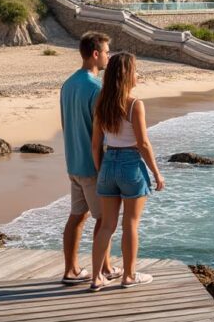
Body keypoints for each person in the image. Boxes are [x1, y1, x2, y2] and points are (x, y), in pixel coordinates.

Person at [89, 52, 166, 291]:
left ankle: (96, 278)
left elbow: (95, 144)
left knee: (106, 226)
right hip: (131, 164)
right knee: (130, 224)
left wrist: (101, 170)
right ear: (127, 75)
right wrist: (156, 173)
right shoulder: (134, 104)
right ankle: (129, 276)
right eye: (135, 70)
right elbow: (143, 143)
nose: (138, 74)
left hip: (108, 163)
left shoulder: (102, 103)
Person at [58, 32, 120, 284]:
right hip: (93, 166)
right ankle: (105, 268)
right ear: (95, 54)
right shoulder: (97, 89)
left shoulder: (68, 84)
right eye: (106, 52)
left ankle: (71, 270)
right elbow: (102, 133)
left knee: (77, 217)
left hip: (73, 163)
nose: (108, 57)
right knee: (105, 220)